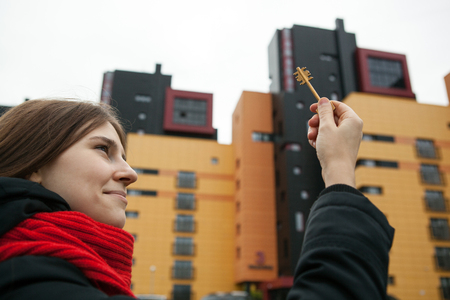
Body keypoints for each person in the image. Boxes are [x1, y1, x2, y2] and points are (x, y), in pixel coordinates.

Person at [0, 97, 394, 299]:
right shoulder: (28, 277)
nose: (130, 173)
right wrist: (339, 171)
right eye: (103, 150)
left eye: (125, 155)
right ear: (35, 164)